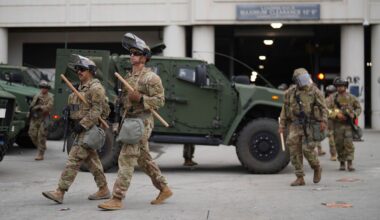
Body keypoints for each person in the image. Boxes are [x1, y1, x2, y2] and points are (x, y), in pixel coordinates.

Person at [98, 33, 172, 211]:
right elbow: (123, 101)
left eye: (136, 53)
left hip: (142, 122)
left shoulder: (151, 78)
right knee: (144, 159)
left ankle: (117, 197)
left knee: (126, 157)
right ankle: (164, 188)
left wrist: (141, 98)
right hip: (128, 121)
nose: (132, 56)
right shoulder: (129, 77)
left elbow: (160, 100)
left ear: (145, 57)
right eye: (131, 53)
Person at [42, 55, 111, 204]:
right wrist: (69, 111)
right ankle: (104, 189)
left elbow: (96, 111)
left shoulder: (96, 88)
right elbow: (79, 107)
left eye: (82, 69)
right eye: (77, 69)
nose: (79, 71)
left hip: (88, 130)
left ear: (91, 71)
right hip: (79, 129)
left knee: (73, 160)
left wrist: (83, 124)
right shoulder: (78, 87)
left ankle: (60, 192)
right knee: (92, 162)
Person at [279, 68, 327, 186]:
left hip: (309, 124)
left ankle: (316, 167)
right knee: (294, 151)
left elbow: (323, 108)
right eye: (302, 79)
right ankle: (300, 177)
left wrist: (323, 121)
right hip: (295, 124)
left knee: (307, 149)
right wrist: (282, 125)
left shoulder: (315, 91)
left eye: (306, 78)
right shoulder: (290, 92)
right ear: (296, 80)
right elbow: (284, 109)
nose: (305, 81)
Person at [327, 78, 362, 171]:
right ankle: (342, 162)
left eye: (342, 86)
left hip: (348, 125)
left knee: (349, 144)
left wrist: (353, 114)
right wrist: (336, 114)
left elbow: (358, 108)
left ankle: (350, 163)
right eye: (338, 86)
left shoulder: (351, 98)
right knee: (339, 144)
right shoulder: (332, 98)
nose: (340, 88)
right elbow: (327, 110)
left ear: (345, 87)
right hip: (337, 125)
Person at [28, 80, 53, 161]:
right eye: (42, 87)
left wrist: (40, 107)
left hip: (44, 118)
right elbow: (32, 105)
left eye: (45, 87)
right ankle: (41, 146)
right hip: (35, 117)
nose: (43, 89)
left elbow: (49, 107)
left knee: (41, 135)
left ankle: (40, 153)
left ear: (47, 89)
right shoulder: (37, 95)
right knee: (32, 134)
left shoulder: (50, 97)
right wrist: (31, 111)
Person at [325, 84, 337, 161]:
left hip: (331, 120)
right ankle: (334, 154)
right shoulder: (338, 99)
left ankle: (334, 154)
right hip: (334, 121)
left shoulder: (326, 100)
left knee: (331, 138)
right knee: (333, 137)